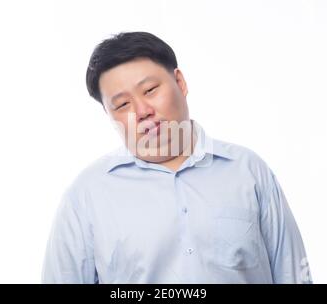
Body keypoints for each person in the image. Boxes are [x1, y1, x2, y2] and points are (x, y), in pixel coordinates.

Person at [42, 31, 312, 284]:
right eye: (123, 104)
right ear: (109, 115)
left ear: (180, 82)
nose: (143, 111)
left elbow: (293, 274)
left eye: (150, 90)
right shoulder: (87, 196)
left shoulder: (248, 171)